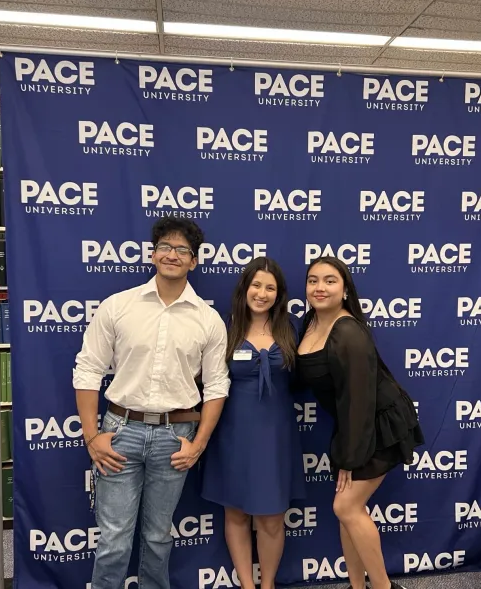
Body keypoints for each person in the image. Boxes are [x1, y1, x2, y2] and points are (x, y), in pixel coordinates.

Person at [73, 217, 230, 589]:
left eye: (182, 250)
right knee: (113, 540)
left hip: (175, 439)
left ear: (194, 262)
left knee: (159, 538)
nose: (172, 255)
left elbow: (217, 384)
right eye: (165, 247)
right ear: (152, 253)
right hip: (119, 434)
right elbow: (88, 369)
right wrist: (92, 436)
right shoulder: (118, 306)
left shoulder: (208, 320)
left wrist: (199, 444)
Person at [295, 256, 423, 589]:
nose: (319, 287)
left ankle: (383, 587)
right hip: (351, 425)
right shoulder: (308, 322)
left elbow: (360, 402)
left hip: (379, 424)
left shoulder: (348, 332)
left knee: (346, 505)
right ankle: (356, 585)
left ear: (346, 289)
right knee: (347, 510)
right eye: (313, 280)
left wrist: (349, 460)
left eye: (329, 280)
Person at [201, 257, 305, 589]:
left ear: (280, 294)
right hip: (233, 433)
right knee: (235, 512)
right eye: (256, 285)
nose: (262, 293)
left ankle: (268, 583)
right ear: (245, 288)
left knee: (272, 517)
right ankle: (247, 584)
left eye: (270, 287)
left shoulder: (294, 327)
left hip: (276, 435)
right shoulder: (225, 327)